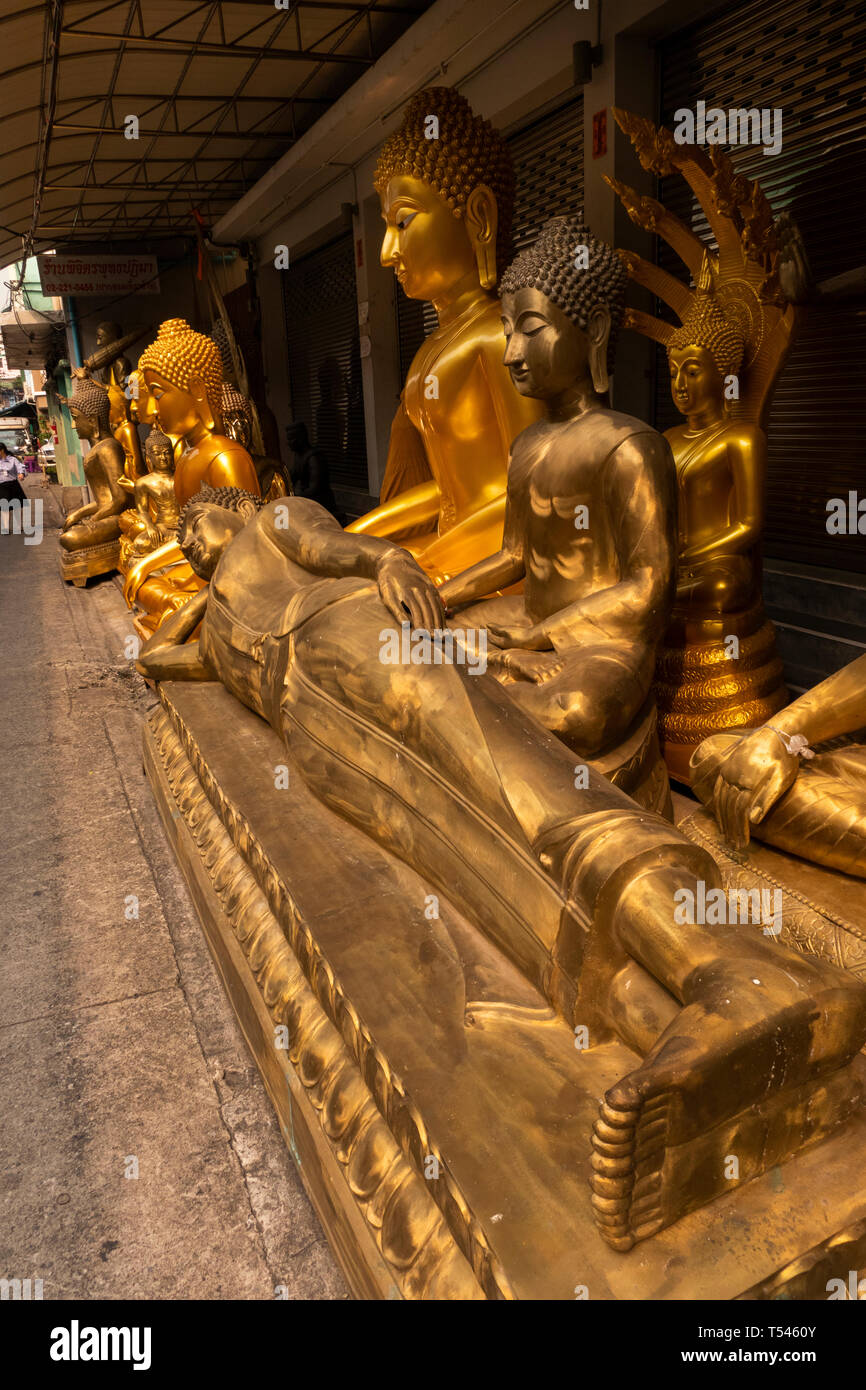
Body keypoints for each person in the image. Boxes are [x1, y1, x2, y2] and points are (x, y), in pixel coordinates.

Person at [286, 421, 340, 519]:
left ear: (301, 438)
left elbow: (314, 490)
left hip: (321, 505)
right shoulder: (298, 455)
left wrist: (294, 498)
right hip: (307, 502)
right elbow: (291, 478)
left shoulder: (314, 458)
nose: (289, 443)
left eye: (291, 439)